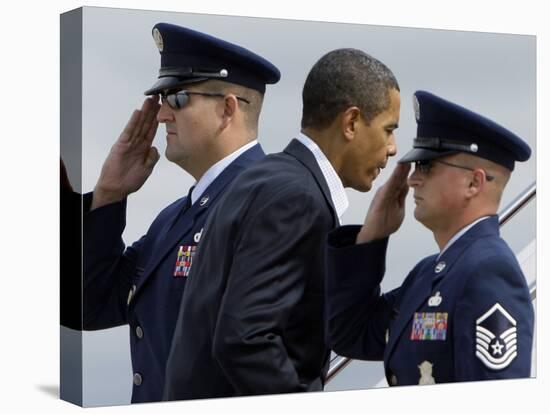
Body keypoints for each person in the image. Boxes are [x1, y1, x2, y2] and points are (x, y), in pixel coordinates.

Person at [163, 48, 400, 400]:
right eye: (388, 129)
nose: (393, 148)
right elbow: (245, 339)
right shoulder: (297, 196)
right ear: (351, 122)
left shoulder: (266, 177)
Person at [82, 22, 280, 403]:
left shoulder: (271, 204)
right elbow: (90, 306)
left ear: (228, 108)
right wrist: (108, 195)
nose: (161, 116)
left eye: (177, 99)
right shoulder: (173, 219)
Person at [325, 90, 534, 386]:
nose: (412, 179)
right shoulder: (430, 274)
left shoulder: (488, 272)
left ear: (474, 183)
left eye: (427, 166)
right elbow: (350, 334)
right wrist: (371, 236)